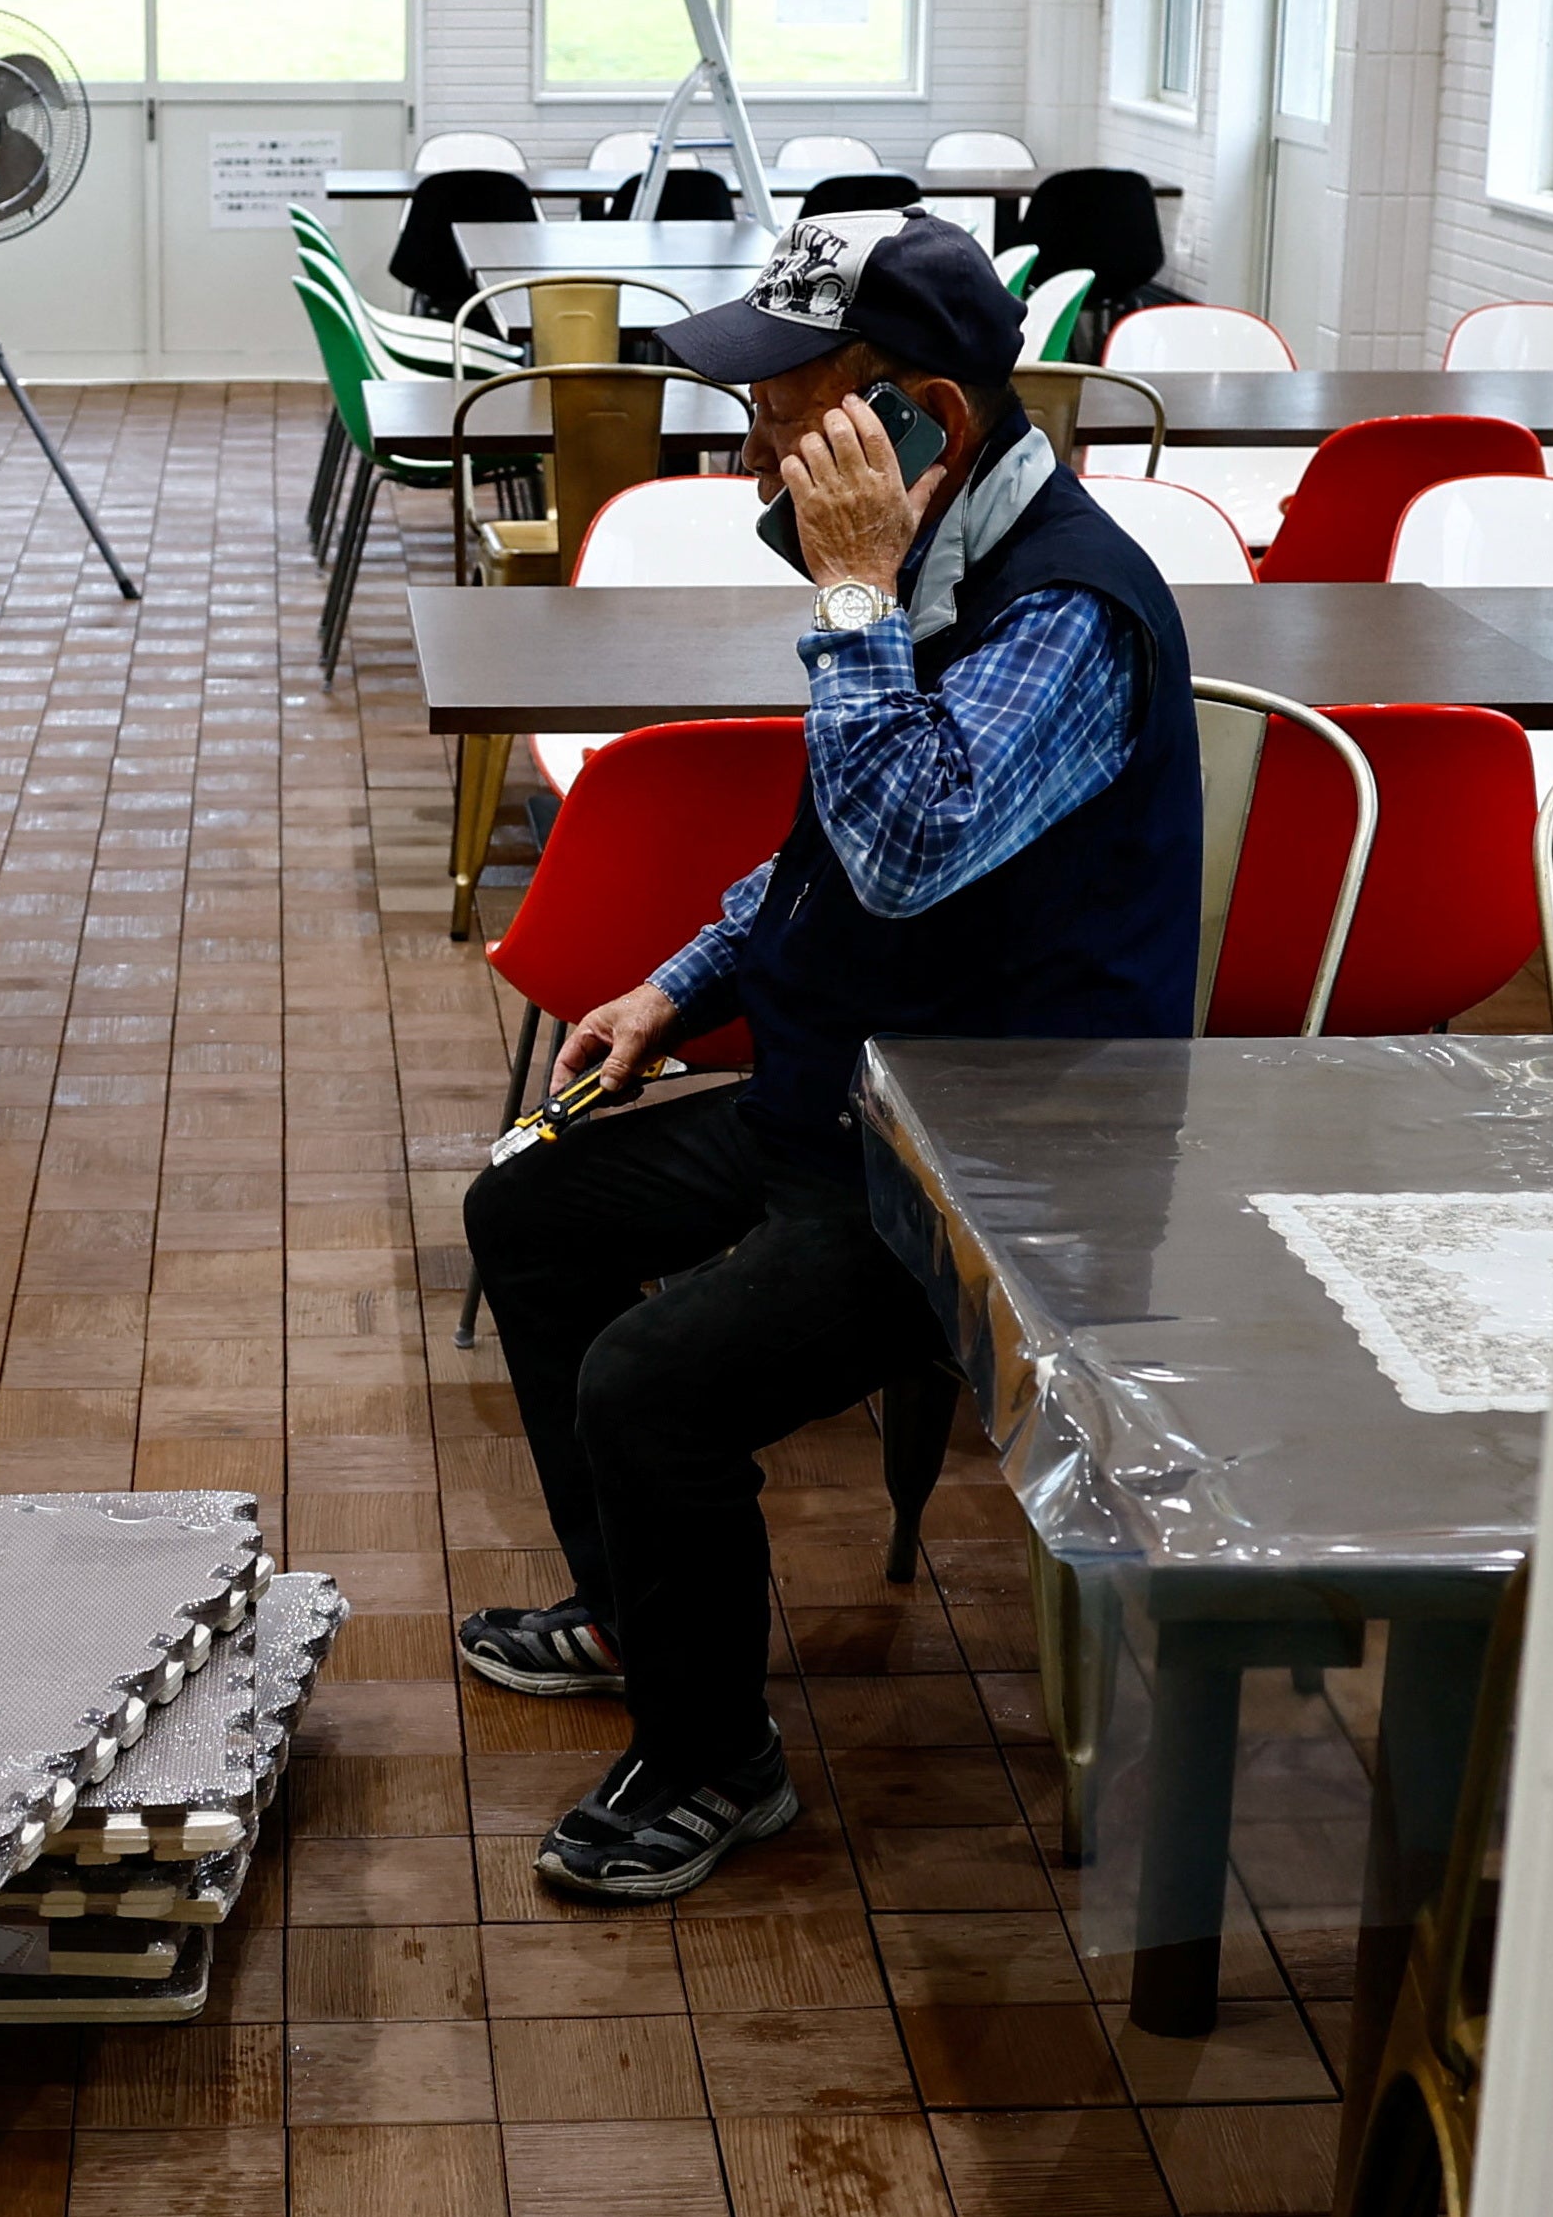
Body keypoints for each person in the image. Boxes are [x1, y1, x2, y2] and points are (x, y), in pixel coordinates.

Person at [456, 209, 1206, 1901]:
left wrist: (853, 590)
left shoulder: (1060, 612)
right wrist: (679, 979)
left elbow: (907, 846)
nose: (751, 445)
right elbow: (816, 857)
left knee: (651, 1388)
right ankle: (646, 1620)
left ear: (920, 422)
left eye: (788, 409)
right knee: (534, 1216)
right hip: (857, 1099)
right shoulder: (926, 574)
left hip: (999, 1165)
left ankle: (717, 1762)